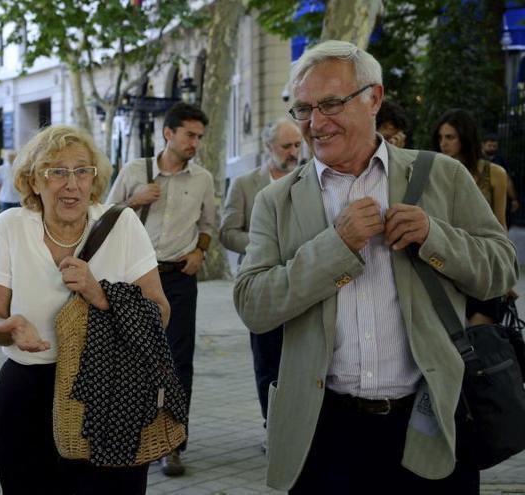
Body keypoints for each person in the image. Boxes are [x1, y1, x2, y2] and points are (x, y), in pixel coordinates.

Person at [233, 40, 516, 494]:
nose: (316, 123)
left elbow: (501, 271)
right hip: (324, 434)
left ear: (374, 98)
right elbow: (253, 305)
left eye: (330, 103)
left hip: (430, 422)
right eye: (303, 109)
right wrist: (336, 246)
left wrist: (433, 235)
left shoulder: (442, 176)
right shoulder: (277, 201)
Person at [0, 125, 170, 494]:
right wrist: (8, 327)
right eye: (57, 172)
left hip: (112, 394)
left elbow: (159, 314)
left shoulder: (122, 225)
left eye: (82, 171)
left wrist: (100, 295)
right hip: (27, 396)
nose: (72, 184)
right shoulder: (10, 227)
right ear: (34, 181)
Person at [106, 101, 216, 476]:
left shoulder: (202, 178)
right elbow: (104, 216)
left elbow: (208, 224)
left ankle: (173, 444)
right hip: (134, 278)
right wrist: (133, 201)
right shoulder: (135, 170)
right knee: (133, 359)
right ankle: (130, 434)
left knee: (178, 361)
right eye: (189, 135)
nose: (195, 143)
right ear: (168, 133)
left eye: (199, 137)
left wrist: (200, 252)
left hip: (179, 277)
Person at [219, 117, 302, 445]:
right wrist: (262, 246)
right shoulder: (245, 184)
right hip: (262, 284)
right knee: (268, 360)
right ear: (269, 148)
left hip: (303, 282)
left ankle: (300, 428)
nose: (294, 152)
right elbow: (227, 232)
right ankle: (274, 426)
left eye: (297, 145)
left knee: (302, 358)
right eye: (286, 146)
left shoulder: (311, 177)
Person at [431, 109, 508, 229]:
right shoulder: (436, 171)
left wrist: (504, 247)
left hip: (481, 245)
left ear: (465, 138)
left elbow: (500, 224)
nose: (443, 143)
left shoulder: (495, 173)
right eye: (440, 138)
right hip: (446, 244)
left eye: (450, 137)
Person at [482, 132, 519, 227]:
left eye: (494, 146)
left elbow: (507, 180)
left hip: (498, 197)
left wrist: (514, 198)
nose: (492, 148)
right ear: (483, 145)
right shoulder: (477, 160)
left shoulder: (500, 160)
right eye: (490, 145)